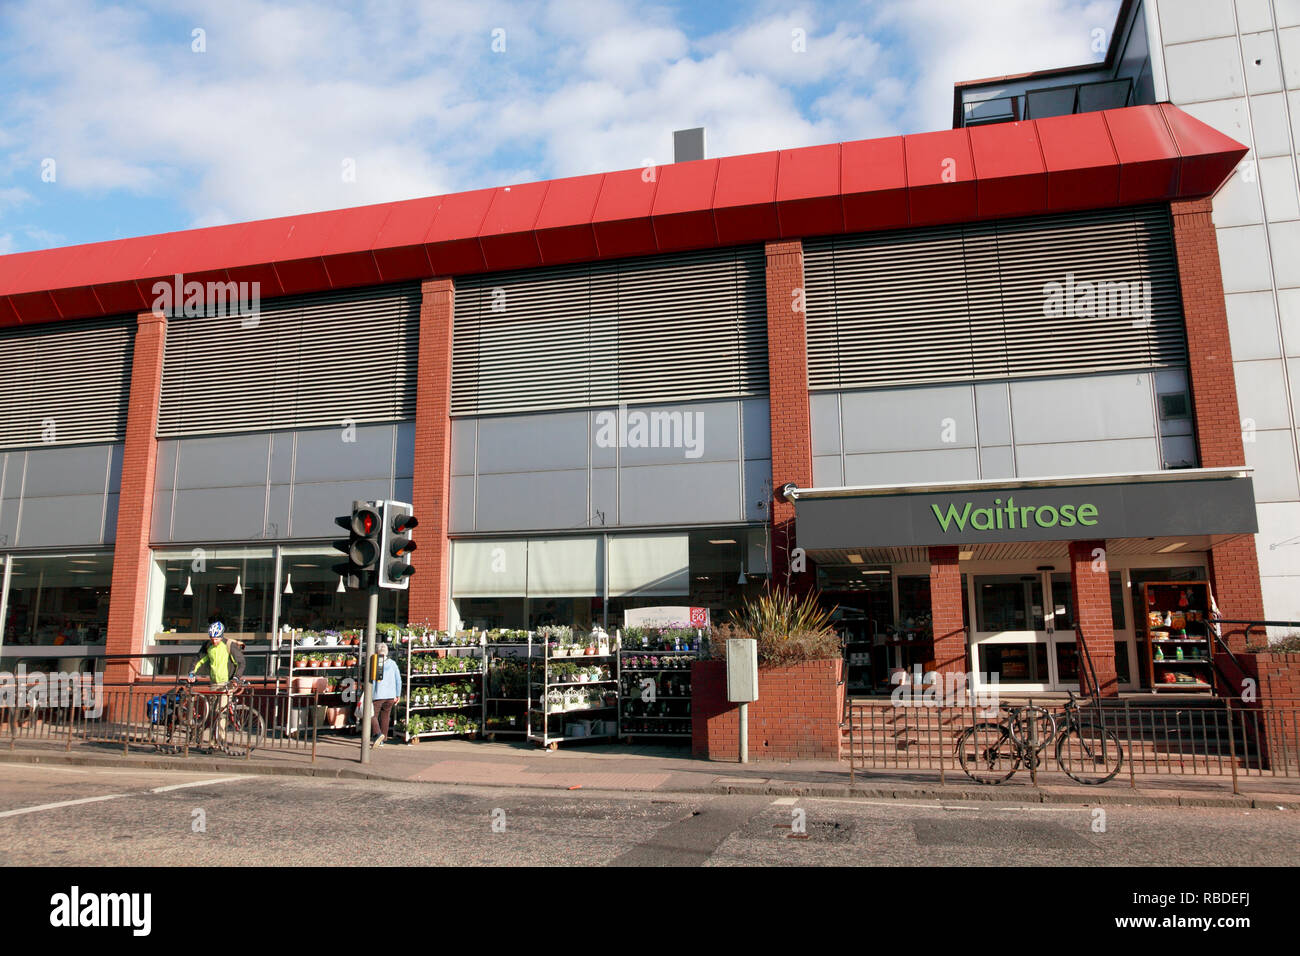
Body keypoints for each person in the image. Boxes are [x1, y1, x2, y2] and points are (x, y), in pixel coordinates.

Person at [187, 621, 245, 750]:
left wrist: (236, 678)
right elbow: (198, 659)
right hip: (214, 683)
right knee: (211, 713)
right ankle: (203, 738)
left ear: (222, 636)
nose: (214, 641)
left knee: (221, 712)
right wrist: (191, 673)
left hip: (227, 683)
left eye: (217, 638)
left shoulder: (229, 645)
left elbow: (241, 663)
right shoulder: (208, 646)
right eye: (212, 638)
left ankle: (219, 741)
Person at [370, 642, 402, 749]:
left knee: (371, 715)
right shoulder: (392, 663)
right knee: (385, 717)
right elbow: (398, 680)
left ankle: (378, 734)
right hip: (390, 696)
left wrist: (370, 695)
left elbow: (372, 681)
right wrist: (397, 694)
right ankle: (383, 740)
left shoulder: (375, 663)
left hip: (378, 695)